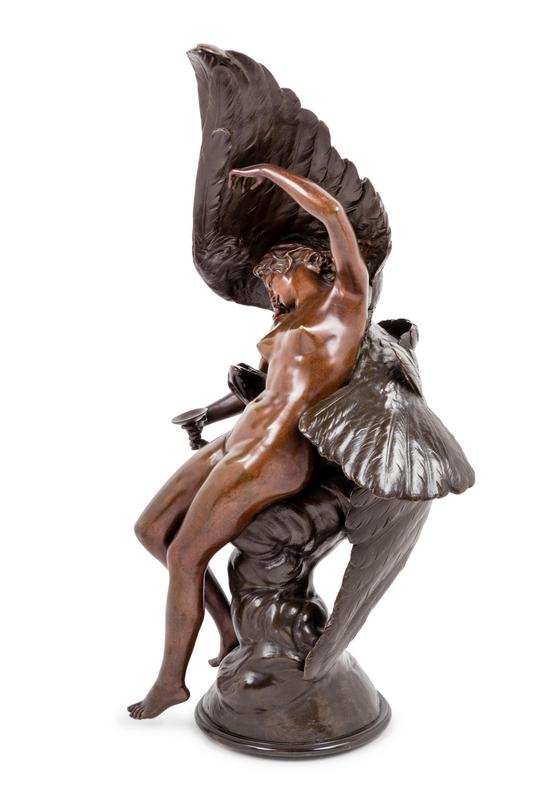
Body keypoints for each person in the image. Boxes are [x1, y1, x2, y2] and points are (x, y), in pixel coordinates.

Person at [128, 164, 370, 718]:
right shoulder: (287, 322)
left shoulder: (345, 303)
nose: (269, 293)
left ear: (291, 266)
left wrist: (269, 173)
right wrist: (209, 412)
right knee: (151, 531)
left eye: (270, 282)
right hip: (240, 438)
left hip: (274, 455)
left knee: (185, 555)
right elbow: (264, 388)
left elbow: (334, 213)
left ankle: (170, 682)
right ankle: (228, 631)